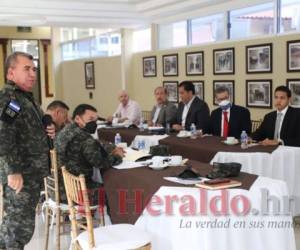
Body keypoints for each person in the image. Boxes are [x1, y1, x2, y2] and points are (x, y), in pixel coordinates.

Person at [0, 51, 55, 250]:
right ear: (11, 73)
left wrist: (47, 127)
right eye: (27, 69)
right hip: (21, 174)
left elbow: (25, 130)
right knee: (18, 229)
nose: (33, 74)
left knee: (13, 227)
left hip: (30, 173)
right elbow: (3, 135)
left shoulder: (25, 98)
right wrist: (13, 171)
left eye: (34, 69)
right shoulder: (12, 100)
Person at [55, 104, 124, 201]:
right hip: (76, 191)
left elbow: (92, 144)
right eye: (90, 119)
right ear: (78, 118)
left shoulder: (65, 130)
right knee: (116, 190)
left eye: (95, 120)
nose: (94, 123)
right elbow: (100, 163)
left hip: (58, 187)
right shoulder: (84, 139)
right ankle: (112, 216)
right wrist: (117, 156)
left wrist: (109, 147)